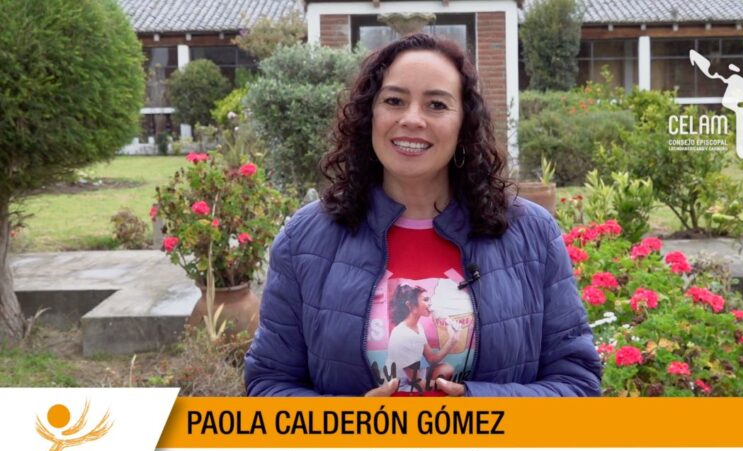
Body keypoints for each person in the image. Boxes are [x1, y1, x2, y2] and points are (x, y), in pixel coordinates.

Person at [244, 33, 602, 397]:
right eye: (394, 101)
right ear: (370, 115)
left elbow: (577, 383)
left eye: (436, 105)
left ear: (464, 123)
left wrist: (480, 411)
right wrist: (351, 422)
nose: (412, 119)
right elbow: (269, 384)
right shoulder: (305, 239)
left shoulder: (532, 233)